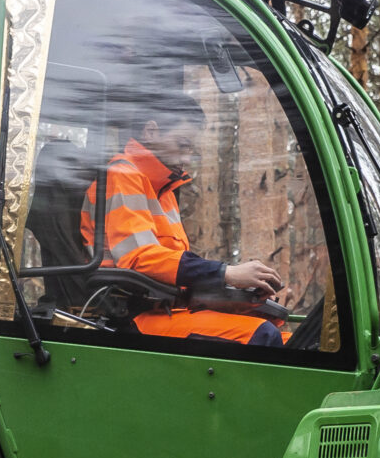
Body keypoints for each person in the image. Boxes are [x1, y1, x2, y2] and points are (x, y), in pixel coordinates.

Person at [83, 101, 287, 345]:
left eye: (191, 150)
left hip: (168, 308)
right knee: (263, 336)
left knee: (288, 338)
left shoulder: (164, 192)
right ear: (150, 132)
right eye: (182, 145)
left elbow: (172, 268)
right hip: (130, 316)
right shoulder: (121, 175)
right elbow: (138, 258)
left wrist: (240, 296)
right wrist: (226, 273)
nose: (187, 159)